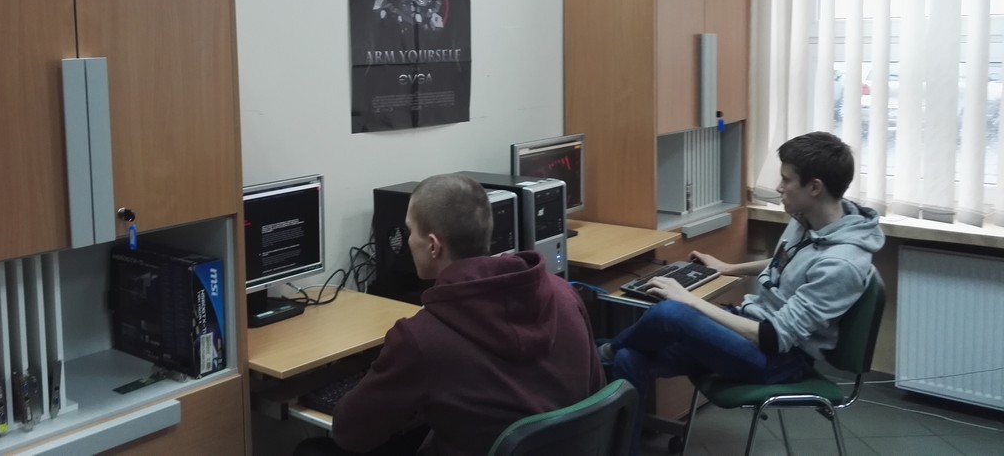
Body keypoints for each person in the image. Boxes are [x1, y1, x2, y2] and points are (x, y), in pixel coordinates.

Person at [601, 131, 884, 453]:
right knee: (630, 358)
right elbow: (787, 262)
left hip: (779, 361)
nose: (779, 187)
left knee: (670, 312)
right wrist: (727, 267)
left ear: (815, 187)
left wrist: (689, 300)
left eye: (786, 179)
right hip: (749, 332)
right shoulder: (809, 219)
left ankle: (602, 353)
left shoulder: (842, 264)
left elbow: (775, 337)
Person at [296, 173, 604, 456]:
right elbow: (596, 395)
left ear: (433, 246)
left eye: (409, 231)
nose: (407, 241)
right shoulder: (562, 294)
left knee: (313, 451)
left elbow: (350, 433)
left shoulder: (422, 337)